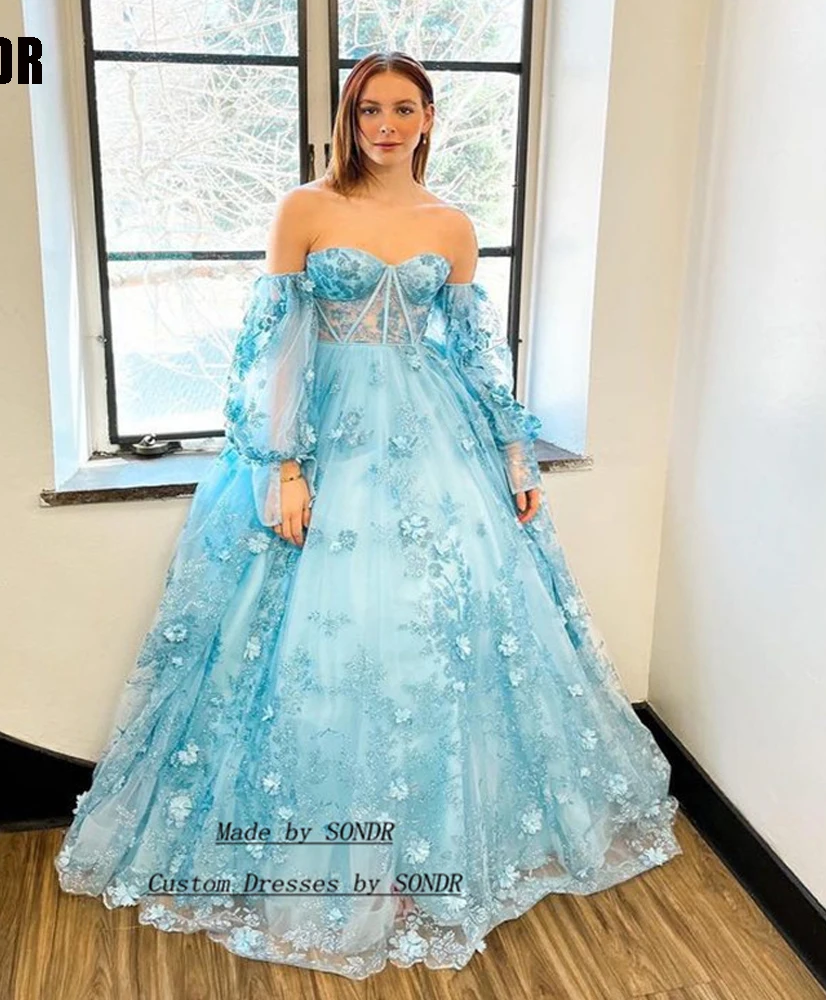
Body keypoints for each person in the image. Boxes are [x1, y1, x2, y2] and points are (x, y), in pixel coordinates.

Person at [54, 50, 682, 979]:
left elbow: (473, 351)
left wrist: (515, 451)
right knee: (328, 636)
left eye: (404, 109)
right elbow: (273, 345)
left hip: (435, 438)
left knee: (439, 628)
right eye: (369, 109)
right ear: (349, 119)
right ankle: (335, 859)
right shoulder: (306, 209)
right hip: (329, 436)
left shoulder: (451, 225)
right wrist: (283, 466)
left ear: (429, 119)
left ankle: (434, 848)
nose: (386, 125)